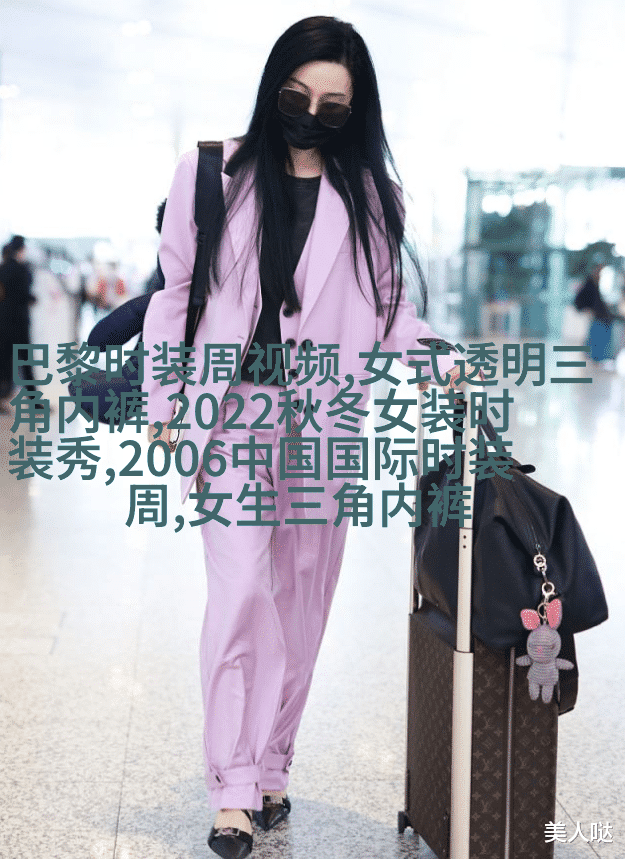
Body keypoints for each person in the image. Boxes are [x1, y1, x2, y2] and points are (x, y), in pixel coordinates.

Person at [142, 16, 464, 858]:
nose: (310, 114)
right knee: (240, 591)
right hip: (230, 418)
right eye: (296, 95)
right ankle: (231, 786)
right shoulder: (210, 172)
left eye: (332, 104)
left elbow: (390, 311)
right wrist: (164, 401)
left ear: (355, 111)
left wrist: (437, 354)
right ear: (272, 87)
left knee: (300, 606)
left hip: (324, 425)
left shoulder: (373, 198)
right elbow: (175, 292)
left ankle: (271, 762)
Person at [0, 235, 37, 409]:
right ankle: (34, 400)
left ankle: (3, 397)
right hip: (20, 322)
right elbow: (24, 295)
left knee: (5, 362)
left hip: (3, 321)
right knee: (26, 362)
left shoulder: (2, 269)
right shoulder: (23, 269)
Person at [574, 261, 614, 363]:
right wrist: (587, 310)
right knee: (596, 342)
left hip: (604, 319)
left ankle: (599, 359)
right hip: (598, 319)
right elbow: (578, 301)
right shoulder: (589, 285)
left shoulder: (597, 285)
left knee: (600, 342)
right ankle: (596, 359)